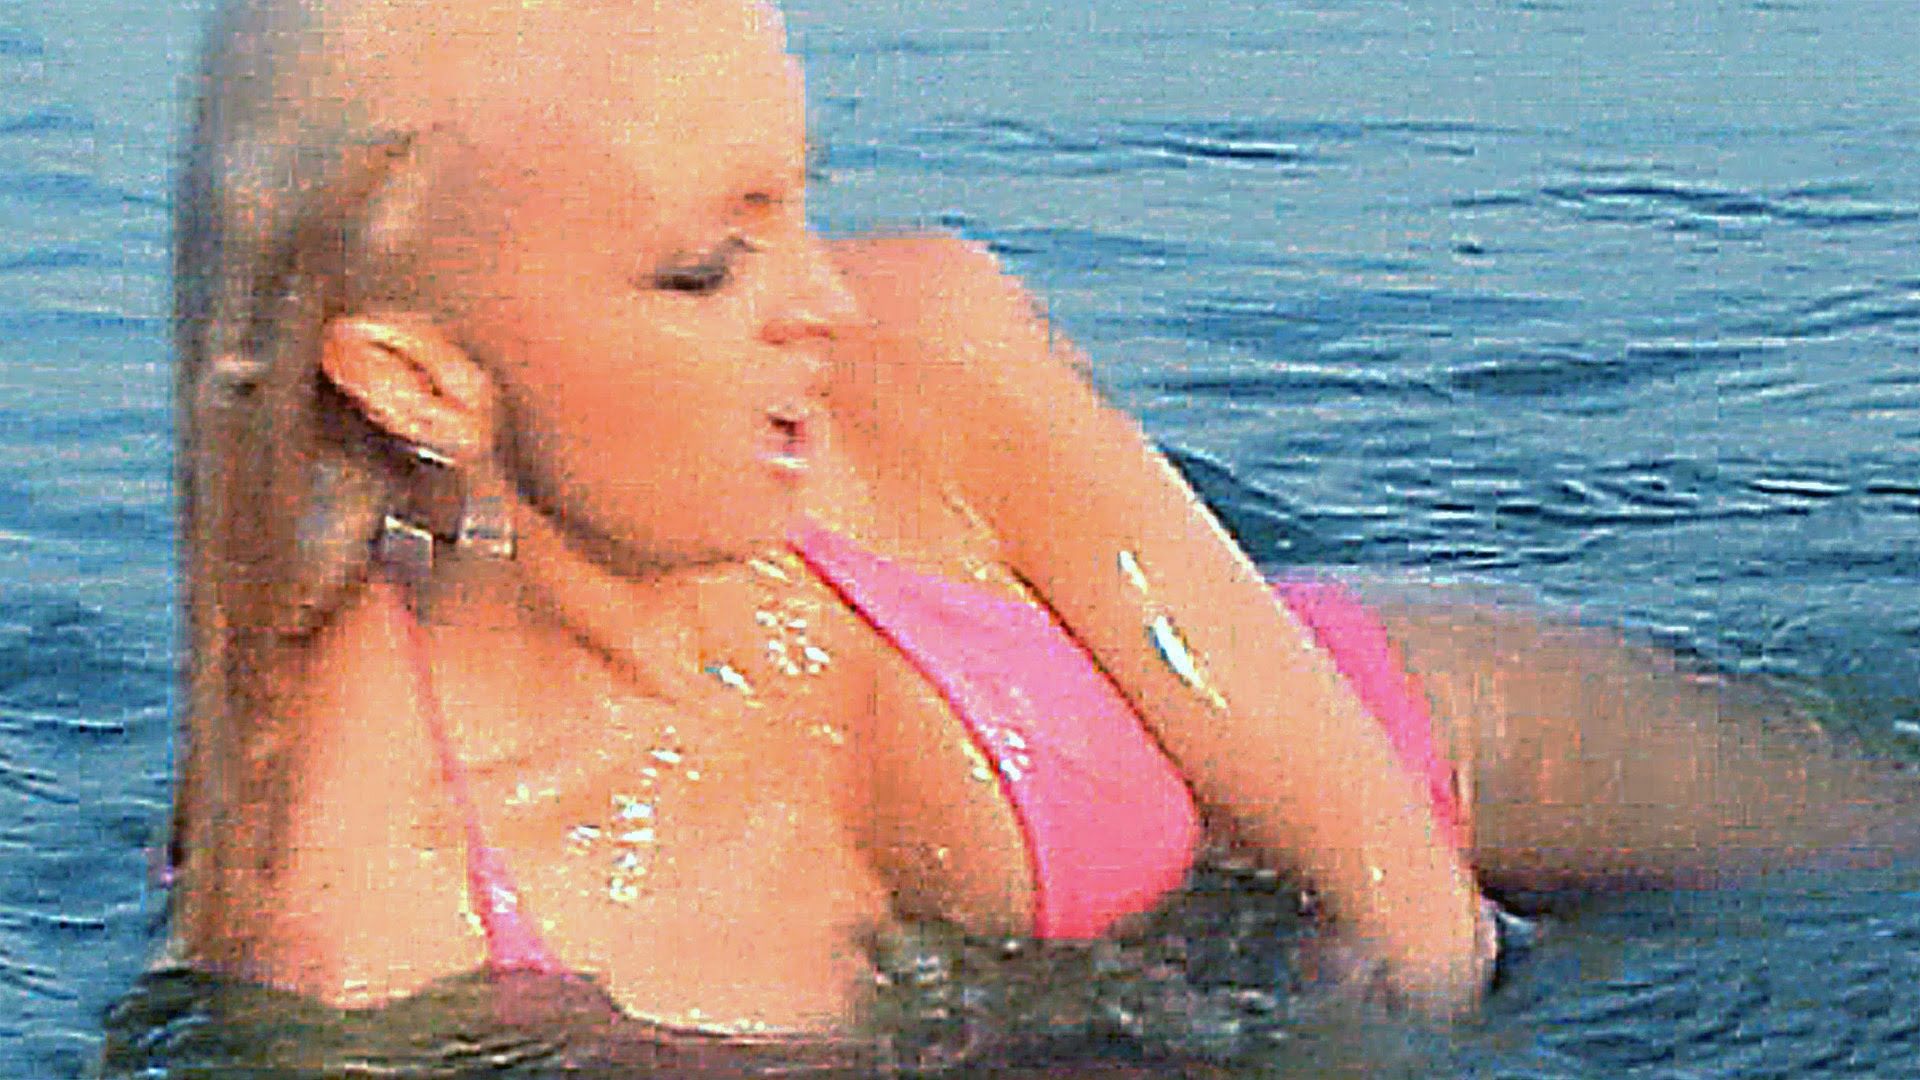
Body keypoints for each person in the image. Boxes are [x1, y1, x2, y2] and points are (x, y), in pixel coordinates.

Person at [150, 0, 1918, 1066]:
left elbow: (1414, 916)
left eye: (799, 199)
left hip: (1456, 754)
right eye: (707, 268)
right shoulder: (354, 911)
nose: (822, 299)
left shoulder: (922, 352)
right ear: (424, 382)